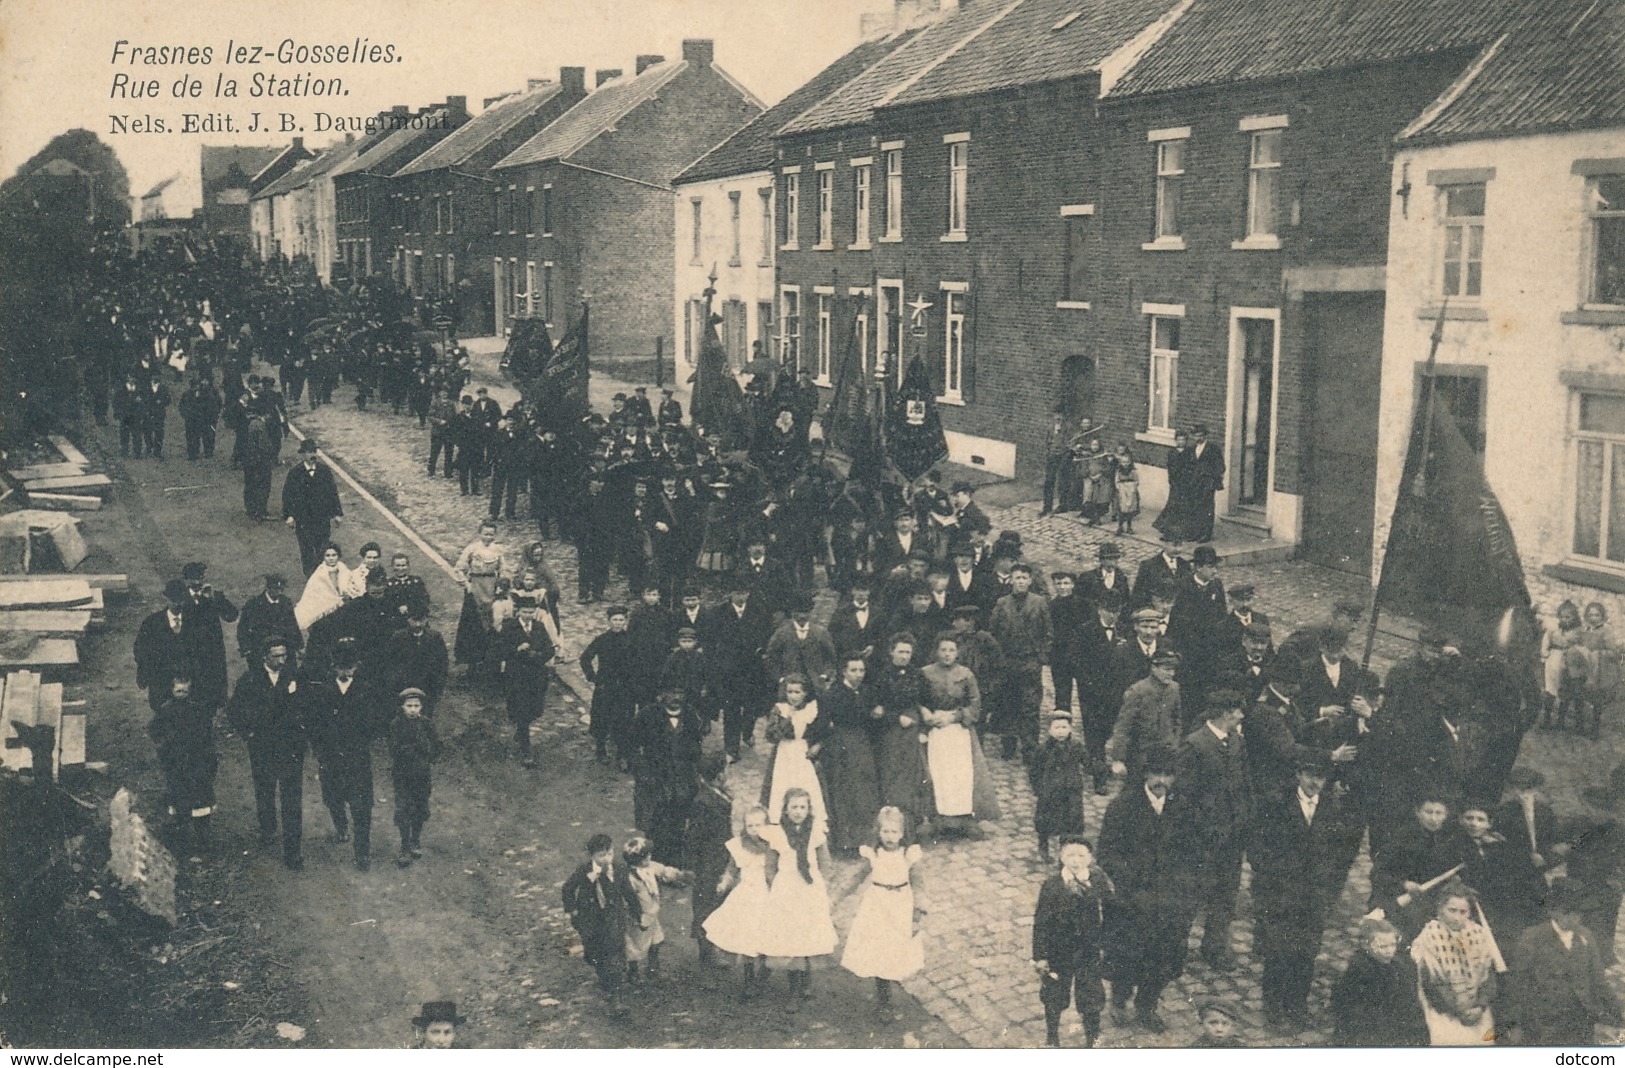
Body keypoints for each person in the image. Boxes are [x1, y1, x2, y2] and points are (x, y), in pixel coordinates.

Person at [1249, 755, 1355, 1032]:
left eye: (1320, 777)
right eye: (1309, 774)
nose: (1314, 782)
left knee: (1305, 953)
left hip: (1314, 897)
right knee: (1278, 952)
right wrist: (1269, 883)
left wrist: (1329, 891)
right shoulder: (1276, 805)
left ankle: (1296, 1006)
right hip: (1280, 894)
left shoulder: (1333, 809)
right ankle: (1273, 1009)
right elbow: (1257, 847)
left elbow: (1340, 854)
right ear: (1298, 774)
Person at [1098, 749, 1194, 1033]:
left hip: (1170, 900)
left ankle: (1147, 1005)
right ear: (1146, 774)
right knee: (1127, 955)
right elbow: (1107, 854)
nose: (1161, 781)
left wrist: (1184, 886)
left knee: (1163, 957)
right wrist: (1133, 885)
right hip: (1132, 898)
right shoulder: (1123, 807)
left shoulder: (1183, 807)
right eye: (1156, 774)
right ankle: (1119, 999)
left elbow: (1194, 850)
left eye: (1167, 775)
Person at [1177, 691, 1253, 971]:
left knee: (1225, 894)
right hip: (1202, 839)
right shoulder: (1195, 745)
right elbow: (1182, 797)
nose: (1241, 716)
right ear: (1224, 713)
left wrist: (1244, 819)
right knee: (1192, 894)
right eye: (1237, 711)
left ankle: (1215, 946)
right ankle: (1176, 946)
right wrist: (1203, 829)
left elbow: (1245, 785)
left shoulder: (1236, 742)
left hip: (1231, 838)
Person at [1503, 879, 1623, 1046]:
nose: (1576, 919)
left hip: (1581, 1019)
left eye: (1579, 913)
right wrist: (1514, 1023)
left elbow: (1598, 980)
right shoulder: (1533, 938)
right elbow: (1518, 984)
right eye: (1569, 913)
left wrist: (1618, 1014)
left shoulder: (1585, 936)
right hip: (1544, 1023)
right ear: (1554, 912)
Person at [303, 645, 386, 871]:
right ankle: (341, 826)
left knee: (362, 805)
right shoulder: (322, 691)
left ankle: (362, 853)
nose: (346, 673)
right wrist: (319, 748)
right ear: (333, 667)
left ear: (356, 667)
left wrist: (363, 735)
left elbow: (376, 721)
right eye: (341, 668)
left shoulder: (366, 690)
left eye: (350, 668)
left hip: (357, 757)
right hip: (330, 757)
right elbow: (313, 723)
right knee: (333, 797)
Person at [841, 806, 927, 1021]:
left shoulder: (909, 854)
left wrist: (917, 913)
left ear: (903, 833)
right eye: (885, 832)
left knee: (895, 948)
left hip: (900, 906)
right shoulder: (873, 854)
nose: (890, 837)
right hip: (877, 905)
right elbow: (856, 878)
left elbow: (918, 885)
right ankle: (884, 1000)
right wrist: (836, 898)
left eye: (895, 832)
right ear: (878, 832)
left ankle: (890, 987)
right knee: (879, 948)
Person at [226, 638, 306, 870]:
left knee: (292, 800)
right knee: (265, 790)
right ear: (265, 658)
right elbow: (234, 711)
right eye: (277, 655)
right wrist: (249, 734)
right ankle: (268, 827)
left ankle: (293, 852)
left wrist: (301, 733)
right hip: (263, 748)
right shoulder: (250, 680)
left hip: (290, 748)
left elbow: (307, 706)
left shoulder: (294, 677)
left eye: (284, 655)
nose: (282, 659)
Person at [1031, 836, 1112, 1048]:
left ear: (1090, 858)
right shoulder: (1052, 885)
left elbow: (1111, 913)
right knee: (1054, 995)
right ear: (1061, 857)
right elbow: (1041, 922)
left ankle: (1092, 1038)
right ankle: (1052, 1036)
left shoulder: (1098, 881)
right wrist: (1040, 956)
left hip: (1089, 951)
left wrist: (1107, 944)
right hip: (1059, 951)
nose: (1075, 861)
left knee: (1091, 997)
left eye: (1081, 855)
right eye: (1070, 855)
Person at [759, 788, 838, 1002]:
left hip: (809, 889)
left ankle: (806, 983)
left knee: (807, 934)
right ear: (785, 809)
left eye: (803, 807)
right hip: (786, 889)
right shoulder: (777, 833)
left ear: (809, 809)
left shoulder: (815, 831)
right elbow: (770, 866)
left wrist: (823, 886)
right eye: (793, 807)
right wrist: (776, 887)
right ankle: (793, 988)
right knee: (790, 936)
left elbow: (825, 863)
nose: (798, 811)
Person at [1411, 881, 1502, 1046]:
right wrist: (1459, 1010)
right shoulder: (1430, 937)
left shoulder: (1478, 934)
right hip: (1445, 1013)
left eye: (1463, 912)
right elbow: (1432, 984)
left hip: (1478, 1012)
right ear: (1440, 909)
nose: (1457, 917)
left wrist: (1480, 1007)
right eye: (1452, 910)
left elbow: (1488, 978)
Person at [704, 805, 778, 1001]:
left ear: (767, 825)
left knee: (765, 937)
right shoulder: (739, 846)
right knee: (747, 938)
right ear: (745, 827)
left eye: (759, 825)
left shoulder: (775, 845)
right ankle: (748, 978)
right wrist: (724, 883)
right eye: (750, 825)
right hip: (746, 896)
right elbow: (732, 869)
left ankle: (763, 971)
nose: (755, 830)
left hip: (768, 896)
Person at [561, 834, 639, 1017]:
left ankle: (616, 997)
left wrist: (638, 912)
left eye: (609, 853)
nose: (606, 859)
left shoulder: (619, 869)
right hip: (591, 920)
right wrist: (572, 910)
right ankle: (605, 977)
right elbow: (567, 889)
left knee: (615, 955)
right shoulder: (584, 871)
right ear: (592, 856)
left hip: (614, 919)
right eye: (601, 855)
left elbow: (628, 892)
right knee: (595, 955)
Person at [630, 687, 706, 866]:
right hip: (655, 780)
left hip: (682, 780)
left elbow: (697, 748)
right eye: (670, 692)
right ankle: (655, 861)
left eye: (680, 693)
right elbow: (632, 746)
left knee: (679, 820)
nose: (675, 697)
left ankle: (675, 861)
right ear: (661, 695)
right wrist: (643, 773)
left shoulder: (692, 716)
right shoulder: (646, 716)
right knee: (655, 821)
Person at [148, 673, 218, 857]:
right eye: (178, 691)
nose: (182, 694)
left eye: (185, 691)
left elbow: (207, 738)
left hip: (196, 764)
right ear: (172, 691)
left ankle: (203, 843)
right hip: (176, 765)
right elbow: (155, 731)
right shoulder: (165, 710)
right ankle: (182, 845)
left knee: (200, 803)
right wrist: (164, 747)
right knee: (180, 803)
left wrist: (207, 761)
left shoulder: (198, 711)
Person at [1331, 917, 1429, 1046]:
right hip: (1369, 1024)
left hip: (1394, 1019)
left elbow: (1409, 999)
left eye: (1393, 945)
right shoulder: (1360, 969)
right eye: (1382, 946)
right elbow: (1350, 1006)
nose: (1390, 951)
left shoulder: (1399, 966)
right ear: (1366, 945)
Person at [987, 563, 1051, 760]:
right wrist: (999, 660)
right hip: (1008, 662)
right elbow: (993, 633)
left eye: (1024, 577)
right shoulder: (1002, 603)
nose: (1021, 581)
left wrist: (1040, 657)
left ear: (1030, 581)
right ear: (1011, 580)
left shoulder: (1039, 602)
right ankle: (1009, 745)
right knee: (1008, 704)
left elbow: (1048, 632)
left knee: (1030, 706)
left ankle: (1030, 747)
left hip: (1030, 662)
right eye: (1017, 578)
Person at [872, 633, 929, 829]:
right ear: (891, 652)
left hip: (912, 729)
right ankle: (891, 821)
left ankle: (911, 821)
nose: (904, 656)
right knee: (891, 772)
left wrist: (922, 726)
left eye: (908, 652)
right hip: (890, 732)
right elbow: (875, 709)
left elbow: (924, 701)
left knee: (912, 774)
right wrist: (895, 717)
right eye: (900, 651)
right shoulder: (882, 675)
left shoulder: (917, 674)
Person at [619, 835, 690, 986]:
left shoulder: (650, 866)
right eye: (646, 856)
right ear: (641, 859)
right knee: (636, 945)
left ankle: (653, 967)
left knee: (656, 939)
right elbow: (629, 898)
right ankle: (633, 972)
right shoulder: (630, 878)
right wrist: (637, 915)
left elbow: (664, 871)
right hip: (638, 916)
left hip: (652, 912)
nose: (649, 858)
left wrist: (678, 875)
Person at [759, 674, 830, 826]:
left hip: (803, 752)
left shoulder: (812, 709)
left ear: (805, 693)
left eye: (797, 692)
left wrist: (818, 745)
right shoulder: (780, 710)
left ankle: (809, 823)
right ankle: (780, 822)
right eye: (790, 692)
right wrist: (788, 719)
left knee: (807, 784)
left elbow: (824, 731)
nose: (793, 696)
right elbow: (771, 736)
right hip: (784, 752)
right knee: (782, 785)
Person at [1107, 648, 1182, 786]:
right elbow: (1123, 726)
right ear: (1154, 668)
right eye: (1166, 669)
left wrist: (1174, 742)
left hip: (1166, 751)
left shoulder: (1174, 688)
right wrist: (1118, 758)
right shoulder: (1138, 691)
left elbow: (1177, 720)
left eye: (1173, 670)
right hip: (1141, 753)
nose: (1171, 674)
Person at [498, 595, 556, 769]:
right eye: (525, 612)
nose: (528, 615)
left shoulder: (538, 626)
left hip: (537, 676)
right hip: (517, 677)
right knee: (522, 712)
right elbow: (498, 649)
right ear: (518, 611)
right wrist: (516, 649)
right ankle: (526, 750)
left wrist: (538, 656)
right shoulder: (509, 627)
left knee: (535, 710)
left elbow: (549, 649)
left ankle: (521, 729)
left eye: (531, 612)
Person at [688, 754, 734, 966]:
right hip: (709, 862)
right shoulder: (704, 802)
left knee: (720, 906)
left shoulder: (718, 795)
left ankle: (713, 953)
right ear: (718, 775)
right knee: (706, 908)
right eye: (726, 769)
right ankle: (706, 960)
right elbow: (695, 837)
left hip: (720, 858)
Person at [581, 605, 639, 767]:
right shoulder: (601, 639)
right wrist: (592, 677)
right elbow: (585, 658)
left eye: (621, 620)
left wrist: (634, 680)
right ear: (609, 621)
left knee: (624, 719)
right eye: (615, 620)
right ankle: (601, 749)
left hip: (625, 687)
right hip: (606, 686)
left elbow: (638, 662)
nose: (618, 623)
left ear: (625, 621)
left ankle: (622, 754)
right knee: (602, 718)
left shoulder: (631, 640)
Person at [389, 688, 440, 868]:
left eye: (416, 706)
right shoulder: (396, 725)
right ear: (402, 707)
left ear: (421, 707)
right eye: (409, 705)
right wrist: (412, 749)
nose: (412, 709)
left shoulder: (427, 724)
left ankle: (415, 840)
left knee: (420, 806)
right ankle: (404, 846)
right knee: (403, 808)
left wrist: (427, 756)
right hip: (402, 775)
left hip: (422, 774)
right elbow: (394, 749)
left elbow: (437, 747)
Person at [281, 440, 344, 576]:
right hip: (303, 520)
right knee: (307, 549)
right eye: (309, 452)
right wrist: (289, 516)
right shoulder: (295, 473)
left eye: (314, 451)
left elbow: (332, 492)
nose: (312, 454)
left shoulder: (324, 471)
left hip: (322, 518)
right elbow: (287, 496)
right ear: (302, 454)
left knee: (322, 547)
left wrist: (337, 513)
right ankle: (310, 576)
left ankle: (323, 574)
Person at [1030, 712, 1087, 862]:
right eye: (1056, 727)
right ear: (1049, 730)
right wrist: (1038, 789)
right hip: (1050, 792)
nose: (1060, 731)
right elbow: (1034, 771)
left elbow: (1087, 761)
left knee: (1072, 821)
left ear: (1070, 729)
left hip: (1071, 790)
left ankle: (1066, 851)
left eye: (1064, 727)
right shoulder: (1043, 749)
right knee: (1045, 820)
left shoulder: (1076, 746)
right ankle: (1043, 846)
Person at [452, 520, 509, 670]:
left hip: (491, 586)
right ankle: (472, 660)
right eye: (485, 534)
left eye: (491, 534)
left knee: (492, 622)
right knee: (473, 623)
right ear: (480, 533)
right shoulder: (472, 549)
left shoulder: (498, 550)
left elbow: (503, 569)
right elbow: (459, 568)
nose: (488, 537)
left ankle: (489, 660)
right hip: (475, 586)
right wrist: (467, 584)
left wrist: (502, 585)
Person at [237, 573, 301, 664]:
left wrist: (299, 646)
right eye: (276, 589)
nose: (279, 592)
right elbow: (243, 628)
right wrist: (246, 648)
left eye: (281, 589)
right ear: (268, 588)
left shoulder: (286, 602)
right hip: (262, 651)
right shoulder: (254, 604)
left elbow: (293, 625)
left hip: (285, 650)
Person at [295, 543, 351, 633]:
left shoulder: (345, 571)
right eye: (328, 555)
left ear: (338, 556)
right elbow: (313, 595)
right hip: (326, 610)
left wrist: (347, 595)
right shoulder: (319, 574)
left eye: (334, 555)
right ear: (323, 557)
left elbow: (351, 588)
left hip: (343, 607)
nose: (331, 558)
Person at [178, 374, 221, 461]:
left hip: (207, 418)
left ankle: (208, 452)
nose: (196, 388)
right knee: (192, 437)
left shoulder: (209, 393)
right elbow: (181, 405)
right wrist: (185, 414)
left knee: (208, 436)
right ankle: (193, 454)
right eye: (194, 386)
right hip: (192, 419)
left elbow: (217, 404)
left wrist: (214, 414)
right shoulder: (187, 394)